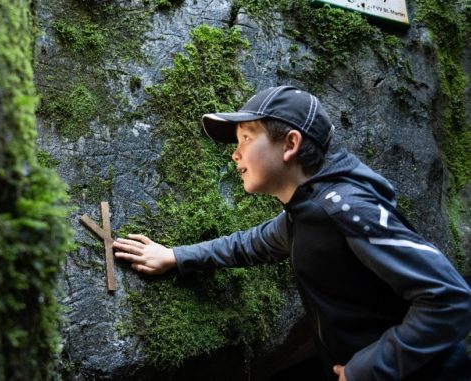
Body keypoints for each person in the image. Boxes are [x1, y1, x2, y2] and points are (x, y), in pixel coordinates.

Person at [112, 85, 471, 381]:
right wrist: (175, 256)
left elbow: (450, 299)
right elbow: (253, 244)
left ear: (290, 144)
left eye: (246, 138)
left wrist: (367, 369)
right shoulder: (307, 210)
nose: (234, 155)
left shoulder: (346, 210)